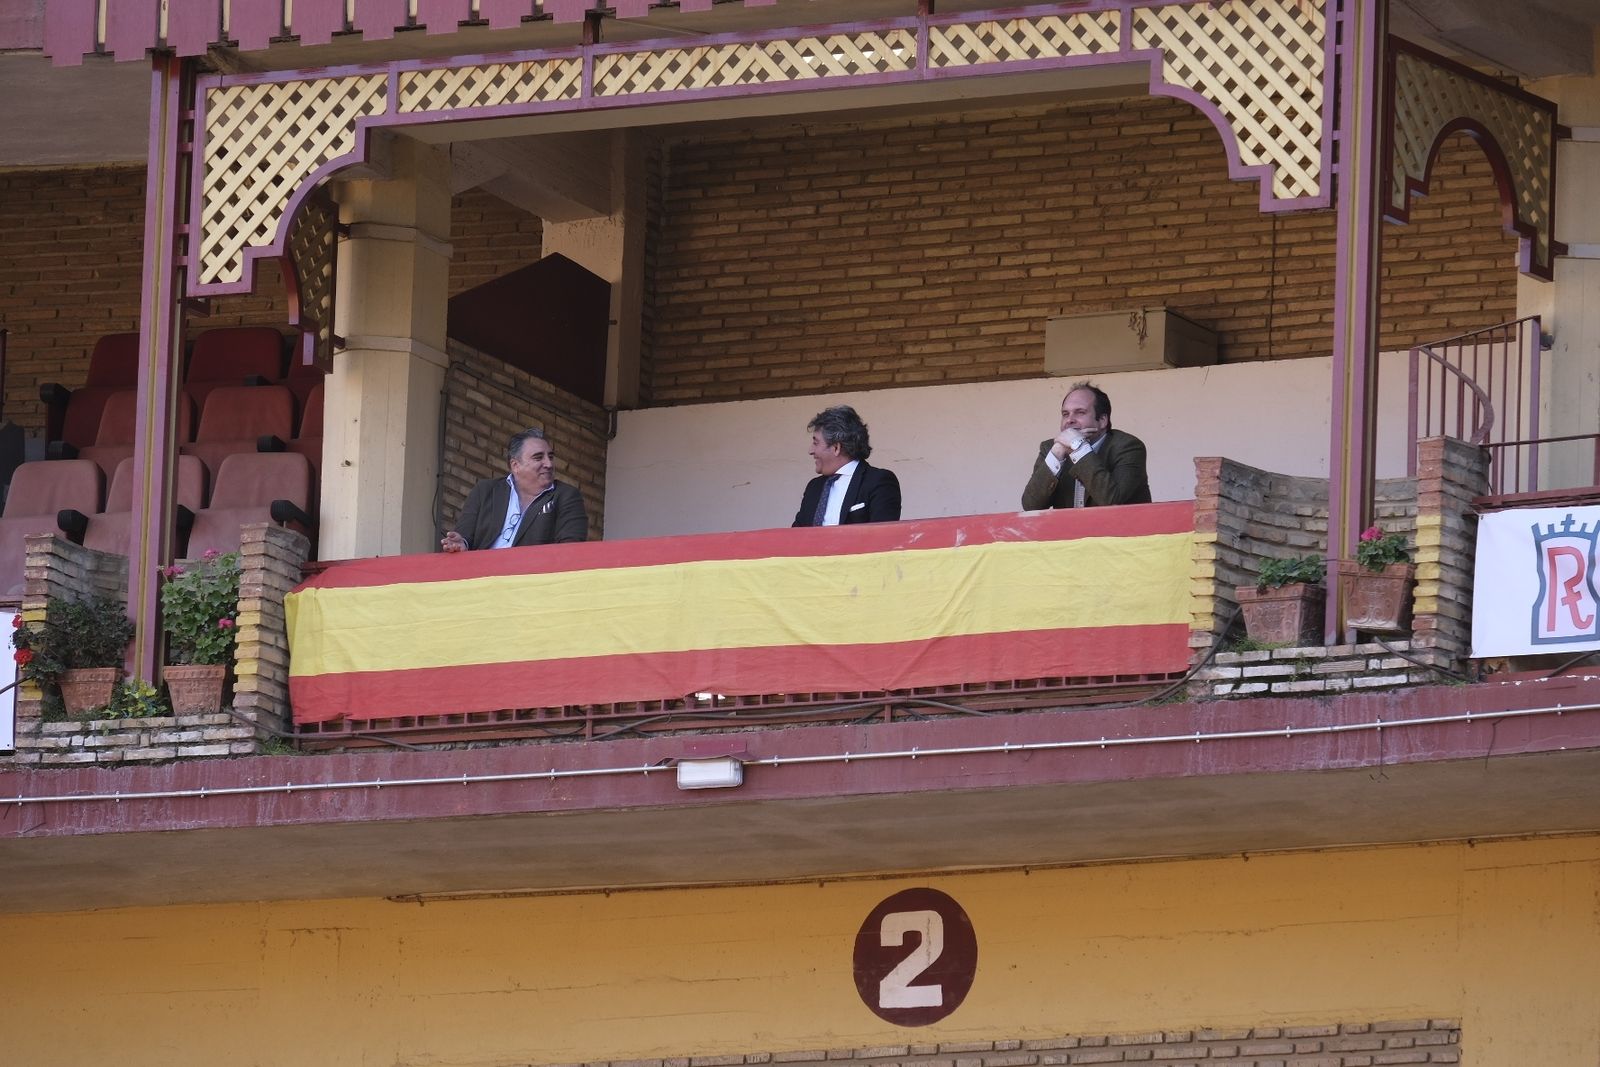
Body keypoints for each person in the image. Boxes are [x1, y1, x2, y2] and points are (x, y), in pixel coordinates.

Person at [441, 428, 588, 551]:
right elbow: (464, 537)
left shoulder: (566, 496)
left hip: (531, 580)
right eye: (538, 458)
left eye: (550, 457)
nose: (548, 464)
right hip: (481, 578)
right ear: (515, 465)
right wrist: (460, 544)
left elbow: (571, 550)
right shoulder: (485, 491)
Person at [1021, 382, 1151, 510]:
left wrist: (1079, 448)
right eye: (1065, 414)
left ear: (1102, 420)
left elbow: (1113, 501)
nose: (1069, 420)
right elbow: (1031, 505)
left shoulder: (1128, 447)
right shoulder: (1052, 447)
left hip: (1119, 530)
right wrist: (1057, 453)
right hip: (1069, 530)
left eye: (1080, 412)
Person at [792, 405, 901, 527]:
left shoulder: (878, 481)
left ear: (836, 448)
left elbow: (883, 537)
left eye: (816, 443)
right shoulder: (814, 487)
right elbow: (796, 535)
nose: (811, 450)